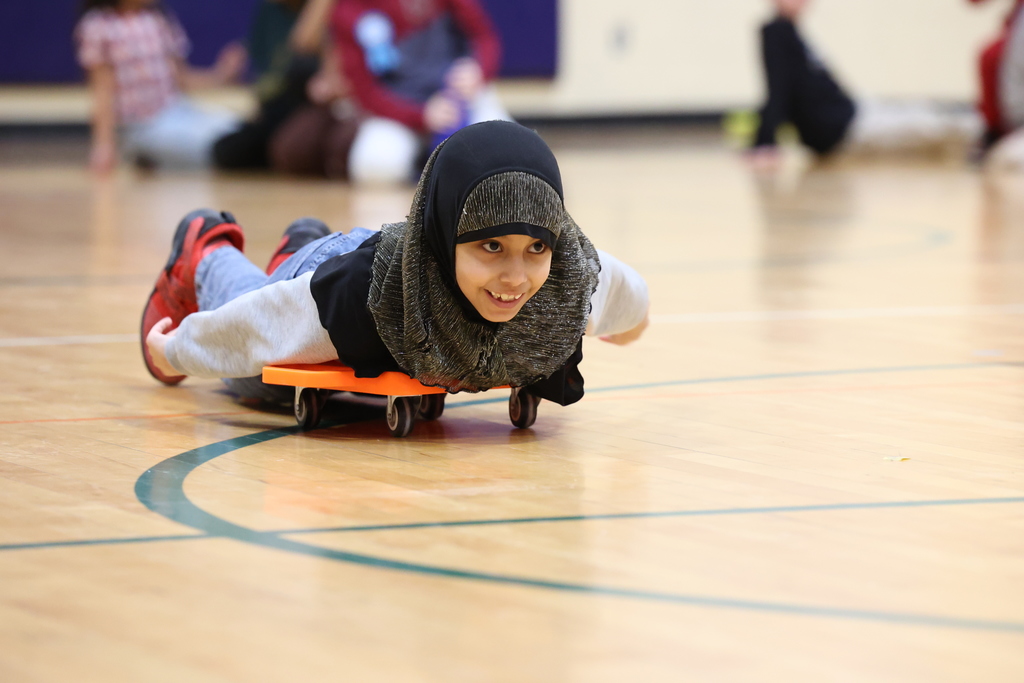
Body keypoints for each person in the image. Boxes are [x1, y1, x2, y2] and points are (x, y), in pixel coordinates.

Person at [140, 121, 650, 410]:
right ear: (448, 235)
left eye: (534, 249)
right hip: (329, 278)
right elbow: (258, 327)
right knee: (262, 382)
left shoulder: (568, 275)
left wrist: (626, 325)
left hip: (329, 284)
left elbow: (631, 299)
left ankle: (298, 246)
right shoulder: (370, 290)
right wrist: (175, 351)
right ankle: (206, 251)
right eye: (490, 248)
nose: (516, 278)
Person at [748, 0, 979, 168]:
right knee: (927, 124)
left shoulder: (792, 32)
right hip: (845, 130)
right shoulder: (776, 32)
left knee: (919, 110)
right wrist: (764, 143)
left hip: (854, 112)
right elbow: (777, 89)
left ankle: (983, 123)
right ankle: (989, 128)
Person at [329, 0, 514, 184]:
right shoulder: (350, 8)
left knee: (506, 155)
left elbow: (483, 37)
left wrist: (478, 70)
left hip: (460, 96)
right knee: (375, 166)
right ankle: (424, 171)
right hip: (400, 109)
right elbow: (366, 92)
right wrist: (421, 115)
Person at [75, 0, 247, 172]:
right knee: (211, 147)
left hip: (180, 112)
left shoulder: (158, 19)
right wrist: (104, 146)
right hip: (140, 126)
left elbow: (182, 79)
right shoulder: (99, 25)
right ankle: (149, 154)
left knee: (240, 130)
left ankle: (160, 158)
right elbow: (103, 91)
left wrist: (221, 75)